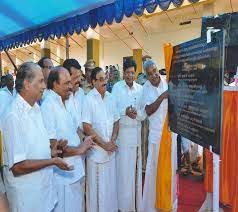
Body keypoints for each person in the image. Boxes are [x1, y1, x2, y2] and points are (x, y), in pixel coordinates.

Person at [1, 62, 72, 212]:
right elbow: (17, 166)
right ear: (27, 84)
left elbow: (34, 149)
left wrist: (54, 150)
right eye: (40, 81)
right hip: (28, 199)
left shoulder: (36, 108)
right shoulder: (12, 116)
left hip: (44, 195)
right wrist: (51, 161)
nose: (44, 86)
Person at [41, 66, 94, 212]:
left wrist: (84, 140)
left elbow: (75, 129)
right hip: (62, 176)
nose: (70, 87)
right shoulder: (48, 106)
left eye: (70, 82)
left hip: (75, 171)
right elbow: (53, 148)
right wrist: (79, 149)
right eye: (66, 84)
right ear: (55, 85)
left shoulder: (66, 101)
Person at [82, 67, 120, 212]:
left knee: (110, 190)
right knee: (97, 193)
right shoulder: (89, 99)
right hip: (96, 154)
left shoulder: (110, 97)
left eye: (105, 78)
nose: (105, 81)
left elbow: (116, 121)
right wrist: (104, 145)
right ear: (93, 82)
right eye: (101, 79)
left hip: (110, 153)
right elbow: (87, 126)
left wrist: (113, 140)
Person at [112, 59, 145, 211]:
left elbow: (144, 114)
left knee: (134, 175)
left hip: (136, 136)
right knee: (122, 174)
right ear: (123, 73)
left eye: (132, 72)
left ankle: (132, 206)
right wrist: (124, 112)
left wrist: (135, 114)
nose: (130, 75)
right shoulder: (117, 88)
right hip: (122, 136)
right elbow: (112, 112)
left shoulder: (140, 89)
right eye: (127, 73)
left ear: (135, 73)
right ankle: (121, 207)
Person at [142, 60, 168, 212]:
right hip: (156, 136)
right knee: (154, 171)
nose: (154, 75)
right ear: (146, 76)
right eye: (150, 74)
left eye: (155, 71)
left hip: (169, 135)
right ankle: (153, 206)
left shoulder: (167, 81)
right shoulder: (145, 89)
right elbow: (149, 110)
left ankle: (168, 202)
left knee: (168, 172)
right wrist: (162, 97)